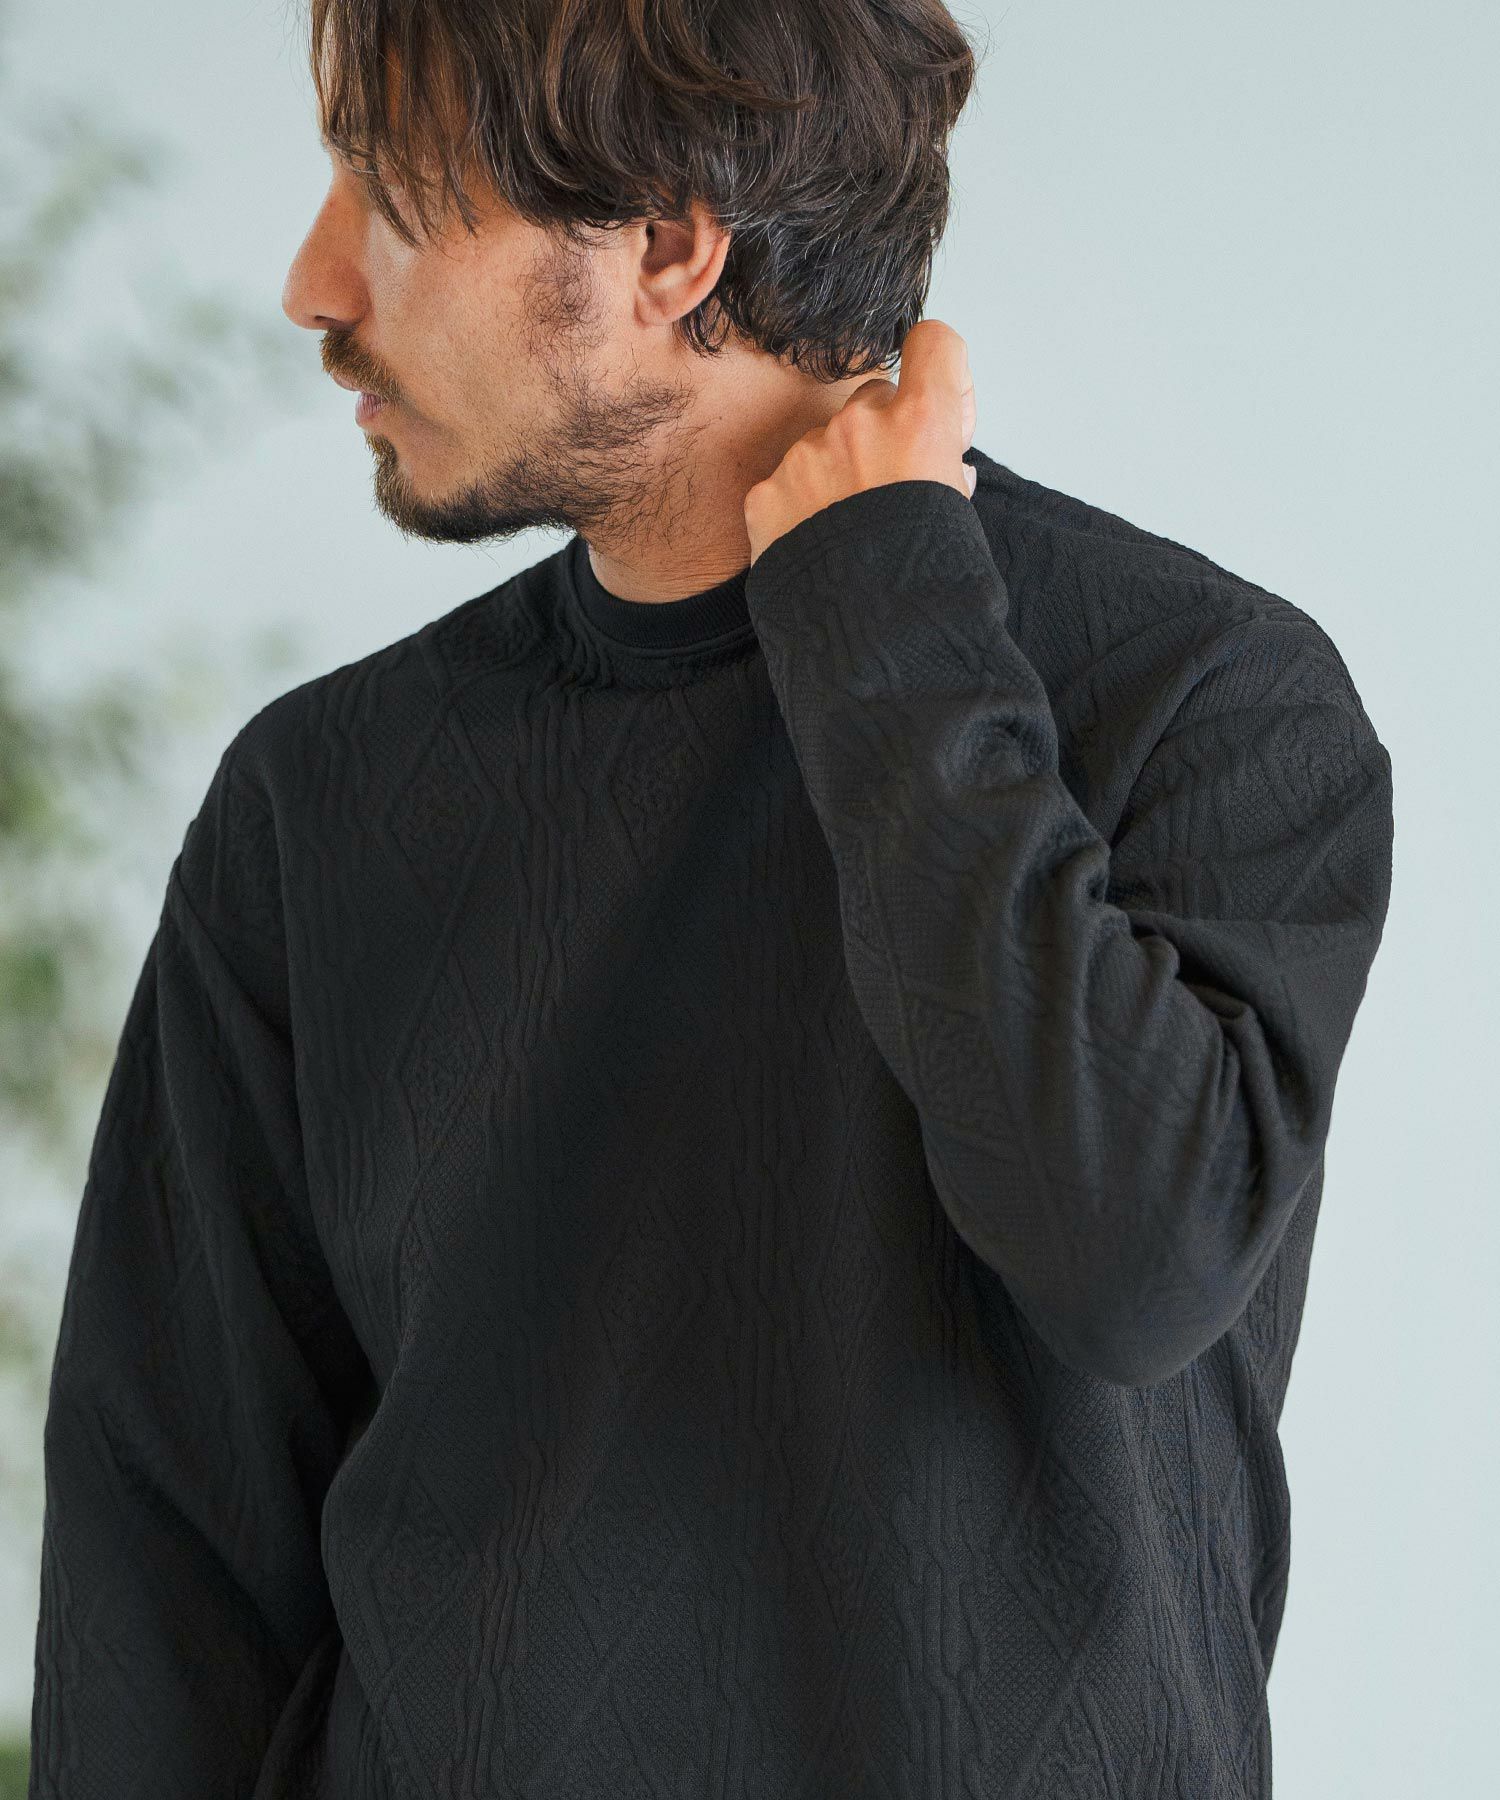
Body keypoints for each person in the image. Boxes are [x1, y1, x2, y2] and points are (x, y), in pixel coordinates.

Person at [27, 2, 1394, 1795]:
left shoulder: (1201, 696)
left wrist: (885, 617)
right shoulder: (321, 795)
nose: (312, 283)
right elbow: (167, 1550)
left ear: (670, 247)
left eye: (392, 199)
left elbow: (1132, 1266)